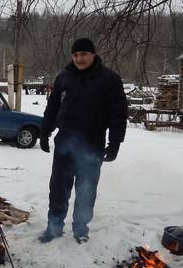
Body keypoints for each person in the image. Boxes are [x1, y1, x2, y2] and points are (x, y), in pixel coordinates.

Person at [39, 38, 128, 244]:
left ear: (93, 54)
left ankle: (81, 229)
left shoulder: (109, 79)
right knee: (58, 187)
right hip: (65, 141)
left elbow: (118, 114)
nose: (79, 58)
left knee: (86, 189)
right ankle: (54, 228)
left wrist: (115, 143)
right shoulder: (64, 76)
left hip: (92, 143)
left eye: (84, 54)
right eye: (76, 55)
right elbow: (53, 107)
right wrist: (44, 132)